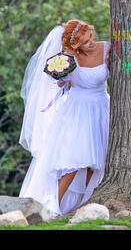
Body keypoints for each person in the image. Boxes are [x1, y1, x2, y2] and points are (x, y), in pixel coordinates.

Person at [19, 19, 111, 217]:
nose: (92, 42)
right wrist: (62, 74)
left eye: (91, 37)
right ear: (75, 46)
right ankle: (52, 206)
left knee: (94, 162)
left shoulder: (106, 48)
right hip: (77, 112)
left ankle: (85, 204)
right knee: (73, 160)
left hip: (101, 108)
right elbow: (58, 84)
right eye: (86, 42)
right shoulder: (67, 60)